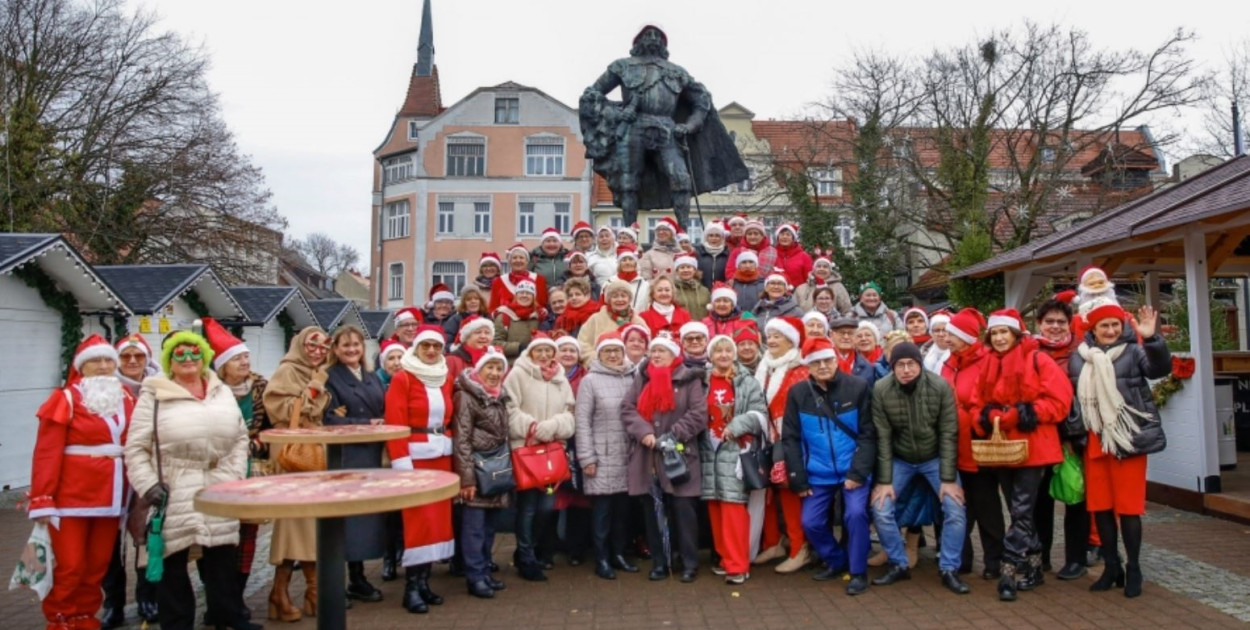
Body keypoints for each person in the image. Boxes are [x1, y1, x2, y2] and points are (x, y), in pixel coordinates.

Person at [125, 330, 255, 630]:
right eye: (179, 354)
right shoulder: (154, 393)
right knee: (173, 564)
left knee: (221, 558)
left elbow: (239, 437)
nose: (188, 359)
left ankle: (226, 617)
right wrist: (147, 485)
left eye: (194, 353)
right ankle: (177, 624)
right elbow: (135, 447)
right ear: (170, 359)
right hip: (174, 487)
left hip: (218, 485)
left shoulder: (220, 390)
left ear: (204, 357)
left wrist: (235, 475)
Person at [30, 336, 135, 630]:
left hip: (112, 497)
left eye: (107, 361)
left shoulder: (126, 397)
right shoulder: (64, 399)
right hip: (70, 498)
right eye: (95, 361)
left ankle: (85, 616)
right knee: (71, 566)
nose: (103, 367)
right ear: (82, 366)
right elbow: (47, 452)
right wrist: (42, 497)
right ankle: (61, 618)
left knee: (97, 566)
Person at [1069, 297, 1170, 599]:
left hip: (1127, 440)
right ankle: (1111, 566)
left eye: (1115, 324)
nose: (1111, 330)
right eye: (1104, 326)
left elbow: (1158, 370)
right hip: (1095, 439)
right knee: (1100, 507)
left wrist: (1152, 338)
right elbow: (1073, 399)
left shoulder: (1135, 351)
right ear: (1093, 329)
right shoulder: (1079, 357)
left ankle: (1134, 567)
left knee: (1128, 508)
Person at [975, 309, 1071, 602]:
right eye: (995, 333)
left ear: (1016, 333)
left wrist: (1022, 413)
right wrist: (989, 413)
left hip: (1034, 446)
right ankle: (1035, 566)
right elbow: (978, 399)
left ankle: (1009, 570)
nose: (1000, 337)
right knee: (1019, 510)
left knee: (1020, 509)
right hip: (1003, 446)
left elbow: (1060, 401)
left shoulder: (1038, 359)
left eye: (1005, 332)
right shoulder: (988, 362)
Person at [867, 342, 970, 595]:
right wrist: (885, 480)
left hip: (934, 457)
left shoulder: (939, 386)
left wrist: (947, 479)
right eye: (899, 365)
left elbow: (948, 433)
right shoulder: (881, 389)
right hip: (901, 458)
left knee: (955, 507)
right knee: (880, 507)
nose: (905, 370)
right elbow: (883, 436)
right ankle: (898, 563)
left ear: (919, 364)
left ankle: (949, 568)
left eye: (911, 364)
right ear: (892, 368)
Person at [781, 336, 876, 596]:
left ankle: (857, 571)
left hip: (851, 469)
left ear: (836, 360)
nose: (823, 366)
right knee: (810, 522)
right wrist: (797, 478)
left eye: (827, 360)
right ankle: (836, 560)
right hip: (817, 472)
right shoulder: (798, 393)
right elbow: (790, 437)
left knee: (855, 515)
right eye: (816, 362)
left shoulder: (857, 387)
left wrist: (858, 472)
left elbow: (869, 434)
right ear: (808, 367)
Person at [621, 333, 708, 582]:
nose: (656, 355)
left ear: (674, 355)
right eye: (654, 351)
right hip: (648, 456)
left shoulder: (689, 378)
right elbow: (627, 408)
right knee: (653, 512)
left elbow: (698, 413)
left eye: (662, 351)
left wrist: (673, 435)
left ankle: (689, 562)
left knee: (684, 511)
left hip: (680, 455)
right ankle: (661, 561)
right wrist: (644, 433)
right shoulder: (642, 377)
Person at [203, 318, 271, 623]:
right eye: (237, 359)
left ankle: (236, 600)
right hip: (216, 473)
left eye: (245, 357)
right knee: (216, 539)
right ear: (222, 366)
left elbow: (270, 428)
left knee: (247, 535)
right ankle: (220, 603)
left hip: (250, 472)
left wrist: (257, 442)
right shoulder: (209, 393)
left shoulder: (259, 388)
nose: (245, 362)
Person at [385, 325, 456, 613]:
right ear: (416, 348)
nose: (430, 351)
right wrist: (401, 462)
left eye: (436, 347)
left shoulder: (444, 378)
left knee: (438, 521)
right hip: (415, 458)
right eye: (425, 346)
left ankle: (424, 582)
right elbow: (395, 422)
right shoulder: (403, 378)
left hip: (441, 455)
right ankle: (411, 587)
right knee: (418, 522)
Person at [263, 327, 333, 619]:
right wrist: (314, 387)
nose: (317, 351)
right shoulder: (288, 371)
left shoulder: (317, 371)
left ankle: (288, 591)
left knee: (308, 521)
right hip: (294, 453)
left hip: (314, 450)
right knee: (297, 521)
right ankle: (306, 590)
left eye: (322, 346)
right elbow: (282, 410)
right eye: (311, 345)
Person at [323, 325, 388, 603]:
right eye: (345, 345)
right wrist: (364, 423)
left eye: (356, 345)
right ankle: (336, 583)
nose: (351, 350)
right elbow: (328, 418)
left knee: (364, 518)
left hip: (370, 453)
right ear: (335, 349)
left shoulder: (371, 377)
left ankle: (358, 577)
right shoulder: (330, 378)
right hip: (346, 455)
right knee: (345, 519)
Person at [503, 334, 576, 581]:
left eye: (548, 351)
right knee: (527, 507)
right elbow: (509, 409)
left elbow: (569, 413)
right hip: (526, 448)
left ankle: (529, 548)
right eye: (539, 351)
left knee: (546, 506)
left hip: (551, 451)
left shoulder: (560, 378)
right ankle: (526, 558)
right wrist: (533, 427)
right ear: (531, 353)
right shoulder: (517, 375)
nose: (544, 356)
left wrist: (553, 426)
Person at [101, 334, 160, 628]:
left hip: (146, 472)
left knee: (146, 538)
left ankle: (147, 597)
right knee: (111, 543)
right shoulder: (104, 389)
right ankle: (113, 602)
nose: (133, 361)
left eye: (138, 356)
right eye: (126, 357)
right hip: (112, 474)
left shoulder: (157, 389)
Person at [701, 335, 769, 585]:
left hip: (734, 448)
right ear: (710, 355)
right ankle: (724, 559)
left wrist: (736, 425)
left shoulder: (747, 381)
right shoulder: (702, 381)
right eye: (717, 351)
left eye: (727, 350)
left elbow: (758, 413)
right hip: (708, 449)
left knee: (733, 508)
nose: (723, 355)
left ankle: (738, 564)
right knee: (715, 506)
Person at [940, 308, 1002, 579]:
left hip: (979, 446)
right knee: (958, 508)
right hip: (954, 446)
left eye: (951, 334)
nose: (946, 338)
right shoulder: (949, 362)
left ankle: (995, 561)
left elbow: (992, 399)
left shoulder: (987, 361)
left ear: (965, 337)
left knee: (987, 507)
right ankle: (961, 558)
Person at [575, 331, 641, 580]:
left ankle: (619, 554)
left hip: (628, 455)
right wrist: (587, 458)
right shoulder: (590, 381)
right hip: (602, 457)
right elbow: (582, 421)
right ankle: (601, 558)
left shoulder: (632, 376)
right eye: (607, 351)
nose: (613, 355)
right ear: (599, 354)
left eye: (617, 351)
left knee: (623, 512)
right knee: (602, 512)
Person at [1031, 297, 1089, 580]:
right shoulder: (1029, 352)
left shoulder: (1082, 353)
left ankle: (1076, 558)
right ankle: (1040, 556)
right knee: (1039, 499)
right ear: (1039, 324)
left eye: (1061, 322)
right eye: (1049, 322)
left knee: (1074, 494)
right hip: (1040, 436)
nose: (1055, 327)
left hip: (1073, 437)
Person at [451, 346, 512, 599]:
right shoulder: (466, 396)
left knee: (488, 527)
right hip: (476, 470)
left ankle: (485, 570)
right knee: (474, 528)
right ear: (479, 369)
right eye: (490, 367)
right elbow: (461, 440)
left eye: (499, 368)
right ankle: (474, 577)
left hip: (494, 470)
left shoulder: (500, 396)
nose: (495, 373)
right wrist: (466, 479)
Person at [754, 316, 811, 573]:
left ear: (792, 340)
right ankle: (774, 541)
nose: (772, 340)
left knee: (789, 494)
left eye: (779, 336)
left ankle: (800, 549)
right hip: (767, 437)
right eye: (771, 335)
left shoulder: (799, 369)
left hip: (790, 440)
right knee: (767, 493)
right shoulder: (765, 366)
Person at [576, 279, 646, 362]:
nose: (619, 299)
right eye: (615, 296)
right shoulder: (596, 319)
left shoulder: (638, 322)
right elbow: (582, 343)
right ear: (609, 300)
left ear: (629, 299)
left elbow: (646, 346)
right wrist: (597, 360)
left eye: (623, 296)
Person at [493, 280, 543, 360]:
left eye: (528, 293)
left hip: (534, 365)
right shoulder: (504, 315)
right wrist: (518, 347)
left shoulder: (539, 317)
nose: (524, 295)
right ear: (516, 296)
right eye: (521, 292)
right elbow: (495, 343)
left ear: (534, 297)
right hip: (511, 365)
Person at [490, 243, 549, 311]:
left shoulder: (539, 280)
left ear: (527, 261)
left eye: (521, 257)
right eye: (514, 258)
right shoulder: (498, 281)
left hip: (532, 320)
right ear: (509, 261)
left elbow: (542, 305)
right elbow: (493, 308)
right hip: (505, 320)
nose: (518, 260)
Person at [445, 315, 496, 382]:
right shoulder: (452, 360)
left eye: (487, 333)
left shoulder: (496, 358)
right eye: (478, 332)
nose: (483, 336)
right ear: (467, 337)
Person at [831, 318, 878, 388]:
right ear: (832, 335)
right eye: (841, 333)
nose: (846, 337)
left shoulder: (866, 366)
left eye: (850, 333)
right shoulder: (823, 363)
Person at [607, 246, 650, 312]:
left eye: (630, 259)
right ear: (619, 264)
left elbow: (648, 307)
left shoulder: (645, 284)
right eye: (624, 260)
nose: (627, 263)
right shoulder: (610, 283)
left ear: (635, 263)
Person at [639, 216, 682, 281]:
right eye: (658, 230)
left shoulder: (681, 253)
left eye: (665, 229)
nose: (661, 232)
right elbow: (646, 279)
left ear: (672, 233)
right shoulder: (649, 255)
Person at [771, 223, 813, 289]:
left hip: (798, 294)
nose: (785, 237)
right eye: (782, 234)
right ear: (777, 237)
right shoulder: (772, 254)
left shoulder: (804, 256)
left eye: (788, 234)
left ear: (793, 238)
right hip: (776, 292)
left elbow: (809, 279)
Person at [672, 253, 710, 320]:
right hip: (681, 327)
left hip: (702, 327)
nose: (686, 270)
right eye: (682, 267)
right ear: (677, 271)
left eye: (689, 267)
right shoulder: (672, 290)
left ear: (694, 270)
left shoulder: (704, 291)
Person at [695, 221, 730, 289]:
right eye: (711, 235)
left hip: (722, 291)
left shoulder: (727, 254)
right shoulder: (698, 253)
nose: (714, 238)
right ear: (706, 237)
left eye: (717, 235)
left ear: (722, 238)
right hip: (702, 291)